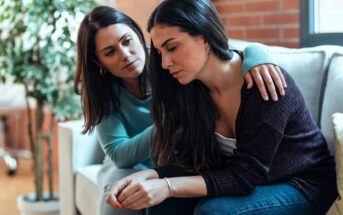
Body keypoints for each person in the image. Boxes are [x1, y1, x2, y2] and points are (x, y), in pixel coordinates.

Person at [105, 1, 338, 215]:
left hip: (302, 183)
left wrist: (167, 185)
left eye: (172, 47)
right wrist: (151, 175)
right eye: (159, 53)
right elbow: (198, 165)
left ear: (204, 36)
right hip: (258, 181)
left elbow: (245, 175)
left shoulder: (262, 84)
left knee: (213, 211)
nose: (165, 63)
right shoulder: (193, 92)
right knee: (162, 204)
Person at [75, 5, 287, 215]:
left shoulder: (171, 64)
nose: (125, 54)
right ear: (98, 61)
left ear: (138, 35)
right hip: (135, 164)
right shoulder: (102, 92)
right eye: (110, 52)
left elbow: (217, 51)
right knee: (120, 192)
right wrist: (170, 125)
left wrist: (256, 53)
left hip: (178, 160)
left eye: (127, 41)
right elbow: (119, 156)